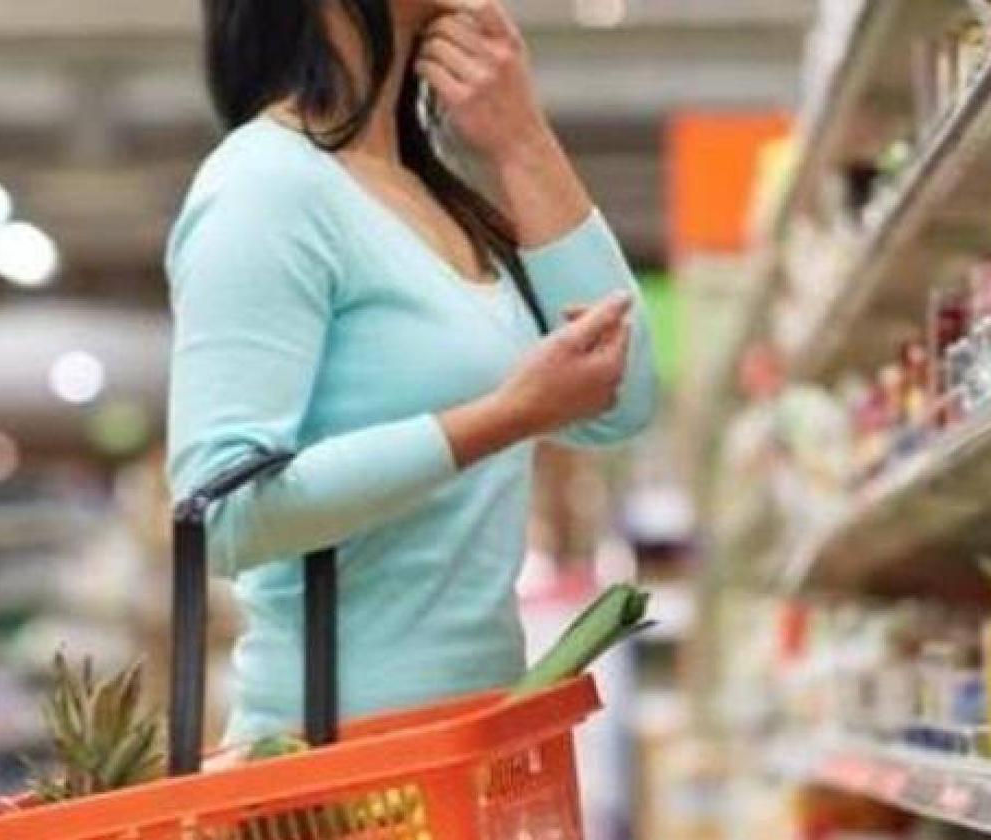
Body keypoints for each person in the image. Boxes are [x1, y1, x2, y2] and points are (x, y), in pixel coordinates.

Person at [167, 0, 658, 747]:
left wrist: (522, 139)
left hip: (477, 742)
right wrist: (505, 417)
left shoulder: (433, 195)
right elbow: (222, 514)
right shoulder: (264, 185)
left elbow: (619, 398)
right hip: (340, 769)